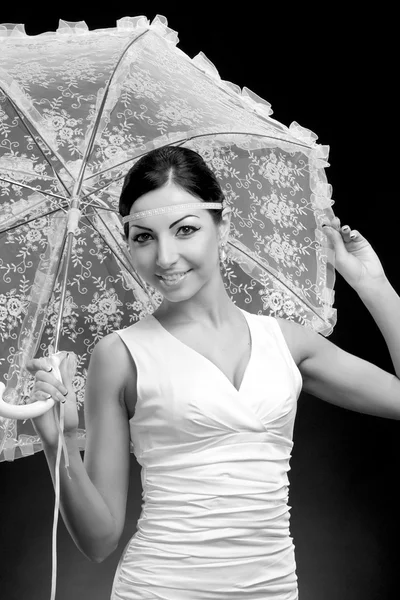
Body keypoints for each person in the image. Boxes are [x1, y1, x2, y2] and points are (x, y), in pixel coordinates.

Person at [26, 146, 400, 599]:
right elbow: (99, 540)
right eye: (143, 237)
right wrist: (58, 442)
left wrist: (373, 285)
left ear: (222, 227)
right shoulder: (119, 355)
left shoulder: (286, 341)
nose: (165, 256)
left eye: (185, 230)